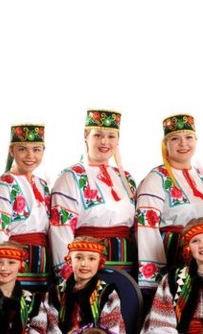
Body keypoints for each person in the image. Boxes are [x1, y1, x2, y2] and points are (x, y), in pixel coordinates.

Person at [136, 114, 203, 294]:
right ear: (165, 144)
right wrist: (153, 279)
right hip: (174, 260)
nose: (183, 144)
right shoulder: (156, 178)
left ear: (196, 141)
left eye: (188, 137)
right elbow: (146, 228)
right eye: (175, 139)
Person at [50, 109, 138, 279]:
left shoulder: (125, 178)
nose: (104, 142)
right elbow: (60, 229)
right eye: (98, 135)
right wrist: (67, 275)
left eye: (111, 136)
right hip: (86, 263)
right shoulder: (71, 176)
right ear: (86, 136)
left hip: (126, 262)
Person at [0, 123, 52, 291]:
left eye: (36, 149)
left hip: (41, 268)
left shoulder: (42, 184)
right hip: (13, 268)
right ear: (11, 151)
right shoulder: (4, 185)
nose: (30, 155)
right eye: (22, 149)